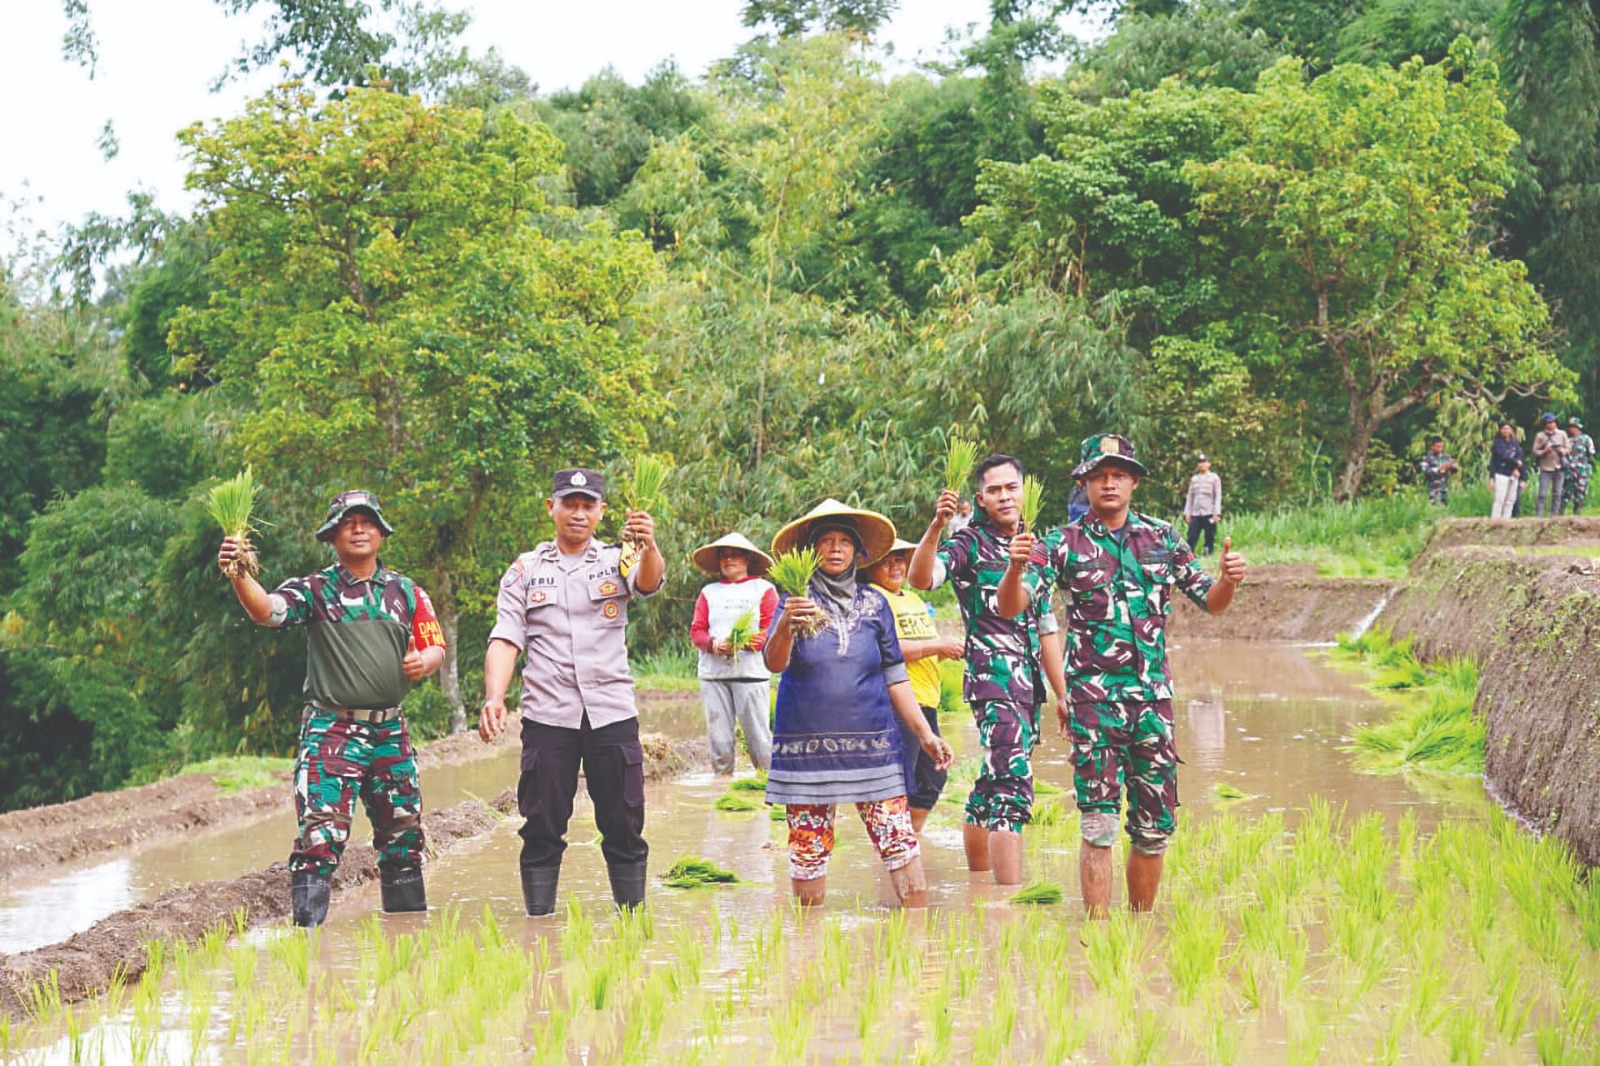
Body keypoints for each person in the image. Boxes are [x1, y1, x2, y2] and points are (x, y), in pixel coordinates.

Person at [997, 434, 1246, 917]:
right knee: (1098, 826)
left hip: (1153, 706)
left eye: (1118, 474)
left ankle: (1138, 933)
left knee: (1154, 830)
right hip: (1094, 707)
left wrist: (1229, 581)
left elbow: (1211, 603)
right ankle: (1099, 939)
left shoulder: (1163, 538)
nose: (1109, 483)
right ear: (1085, 483)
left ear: (1133, 481)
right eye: (1099, 475)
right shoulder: (1059, 544)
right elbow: (1013, 606)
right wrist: (1014, 567)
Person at [217, 490, 446, 927]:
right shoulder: (316, 590)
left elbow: (434, 644)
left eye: (366, 521)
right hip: (333, 731)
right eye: (348, 523)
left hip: (390, 732)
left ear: (381, 532)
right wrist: (238, 572)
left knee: (403, 840)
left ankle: (409, 941)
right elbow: (267, 611)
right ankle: (308, 947)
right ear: (333, 535)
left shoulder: (406, 592)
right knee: (321, 839)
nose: (358, 529)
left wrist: (424, 662)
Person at [479, 468, 664, 915]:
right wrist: (494, 696)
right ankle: (538, 925)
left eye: (588, 505)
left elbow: (648, 583)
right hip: (548, 716)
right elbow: (506, 636)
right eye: (570, 504)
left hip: (611, 711)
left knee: (623, 822)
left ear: (602, 512)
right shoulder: (525, 570)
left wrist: (651, 544)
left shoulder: (620, 557)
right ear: (552, 508)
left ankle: (631, 923)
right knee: (541, 824)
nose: (578, 513)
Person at [762, 501, 954, 907]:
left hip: (874, 747)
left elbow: (896, 675)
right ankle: (808, 948)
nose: (835, 549)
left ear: (858, 552)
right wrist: (785, 625)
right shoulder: (794, 601)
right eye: (826, 541)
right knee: (808, 853)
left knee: (899, 841)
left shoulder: (875, 603)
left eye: (845, 542)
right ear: (810, 551)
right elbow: (774, 663)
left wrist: (925, 733)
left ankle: (917, 948)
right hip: (806, 749)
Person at [908, 455, 1066, 886]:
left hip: (1029, 684)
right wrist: (937, 526)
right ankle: (1008, 901)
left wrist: (1063, 694)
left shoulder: (1039, 550)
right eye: (994, 490)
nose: (1004, 496)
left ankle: (979, 887)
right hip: (993, 679)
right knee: (1014, 782)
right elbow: (922, 578)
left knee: (993, 780)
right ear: (980, 499)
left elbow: (1047, 626)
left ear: (1025, 490)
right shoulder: (969, 543)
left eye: (1011, 487)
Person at [864, 538, 965, 833]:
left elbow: (920, 647)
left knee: (931, 778)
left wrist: (946, 651)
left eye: (899, 559)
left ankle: (908, 839)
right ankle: (892, 846)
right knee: (897, 783)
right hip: (895, 701)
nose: (894, 566)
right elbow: (887, 648)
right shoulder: (872, 597)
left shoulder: (912, 599)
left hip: (926, 701)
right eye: (886, 560)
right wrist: (937, 645)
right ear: (869, 566)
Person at [689, 532, 778, 775]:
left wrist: (744, 643)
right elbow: (697, 631)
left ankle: (767, 784)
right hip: (713, 675)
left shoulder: (764, 589)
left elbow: (770, 631)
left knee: (759, 738)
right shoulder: (709, 592)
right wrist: (714, 644)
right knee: (719, 741)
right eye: (724, 556)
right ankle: (722, 786)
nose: (729, 560)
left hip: (751, 674)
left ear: (747, 559)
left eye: (735, 555)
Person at [1181, 453, 1223, 555]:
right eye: (1200, 462)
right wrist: (1187, 512)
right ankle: (1188, 555)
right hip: (1196, 513)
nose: (1202, 464)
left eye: (1204, 462)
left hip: (1209, 512)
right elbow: (1190, 497)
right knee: (1192, 535)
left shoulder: (1214, 478)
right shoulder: (1194, 479)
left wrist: (1217, 513)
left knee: (1209, 535)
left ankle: (1208, 553)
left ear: (1209, 464)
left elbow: (1218, 496)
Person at [1533, 412, 1569, 517]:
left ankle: (1554, 516)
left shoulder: (1562, 434)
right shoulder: (1540, 436)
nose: (1550, 425)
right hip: (1546, 467)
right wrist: (1544, 451)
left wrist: (1562, 451)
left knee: (1557, 493)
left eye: (1552, 422)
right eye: (1548, 422)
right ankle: (1539, 516)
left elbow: (1568, 449)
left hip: (1559, 466)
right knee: (1542, 494)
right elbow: (1535, 451)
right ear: (1545, 424)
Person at [1489, 422, 1523, 519]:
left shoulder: (1515, 443)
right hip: (1501, 473)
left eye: (1508, 429)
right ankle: (1495, 520)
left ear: (1511, 430)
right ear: (1500, 430)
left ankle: (1506, 519)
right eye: (1503, 429)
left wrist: (1517, 469)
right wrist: (1516, 463)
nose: (1506, 431)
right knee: (1500, 499)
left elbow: (1520, 456)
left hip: (1514, 475)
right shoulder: (1497, 444)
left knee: (1511, 499)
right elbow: (1502, 456)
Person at [1563, 417, 1594, 515]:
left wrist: (1587, 468)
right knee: (1565, 493)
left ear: (1578, 427)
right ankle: (1559, 515)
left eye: (1573, 427)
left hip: (1582, 472)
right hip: (1568, 471)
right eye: (1570, 427)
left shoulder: (1586, 439)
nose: (1571, 429)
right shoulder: (1567, 440)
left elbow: (1591, 454)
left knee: (1580, 493)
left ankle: (1577, 514)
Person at [1419, 437, 1459, 506]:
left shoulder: (1446, 457)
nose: (1440, 448)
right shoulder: (1427, 458)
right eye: (1438, 446)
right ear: (1432, 447)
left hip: (1444, 489)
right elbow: (1426, 471)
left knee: (1445, 509)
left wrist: (1452, 466)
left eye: (1441, 446)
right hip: (1432, 490)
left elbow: (1454, 470)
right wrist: (1439, 469)